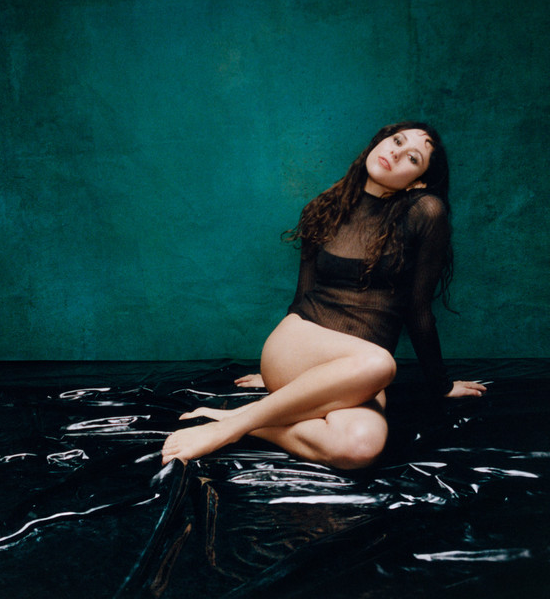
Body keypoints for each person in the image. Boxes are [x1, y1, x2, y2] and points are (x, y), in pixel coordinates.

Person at [161, 121, 485, 469]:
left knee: (360, 447)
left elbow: (418, 309)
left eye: (413, 157)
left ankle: (243, 421)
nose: (396, 153)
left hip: (356, 372)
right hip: (299, 346)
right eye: (396, 141)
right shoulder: (324, 207)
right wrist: (274, 374)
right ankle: (230, 428)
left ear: (417, 182)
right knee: (381, 363)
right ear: (379, 142)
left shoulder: (425, 212)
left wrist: (441, 385)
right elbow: (303, 296)